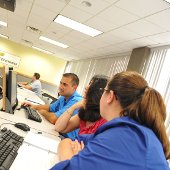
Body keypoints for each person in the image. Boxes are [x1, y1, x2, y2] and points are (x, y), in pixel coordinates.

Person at [51, 71, 170, 170]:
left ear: (110, 96)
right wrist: (72, 158)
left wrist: (72, 159)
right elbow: (67, 142)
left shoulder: (121, 136)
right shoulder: (123, 130)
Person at [23, 73, 82, 140]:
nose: (60, 86)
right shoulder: (64, 96)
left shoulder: (77, 101)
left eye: (65, 84)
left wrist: (42, 112)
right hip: (58, 132)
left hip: (66, 139)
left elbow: (54, 119)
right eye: (61, 83)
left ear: (74, 87)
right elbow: (51, 107)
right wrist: (35, 106)